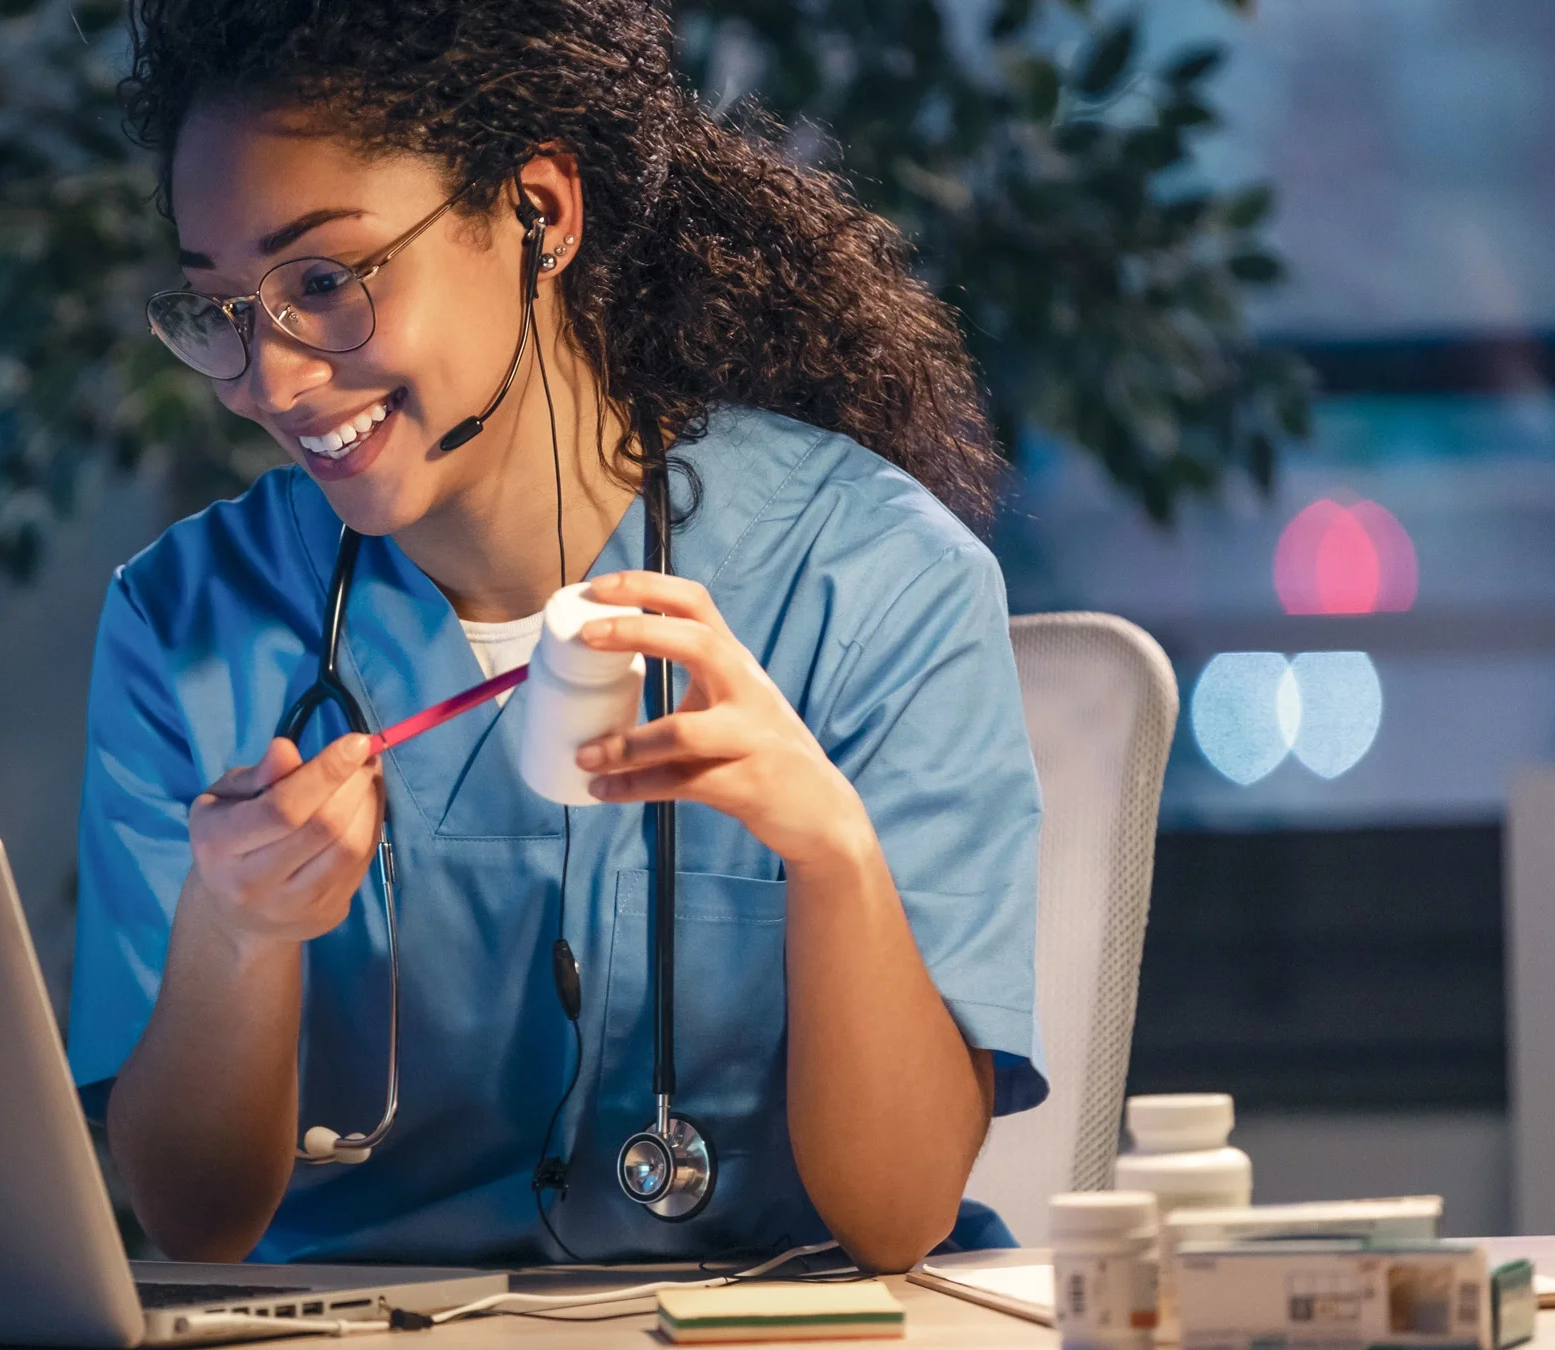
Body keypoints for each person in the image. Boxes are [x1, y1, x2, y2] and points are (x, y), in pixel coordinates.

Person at [69, 0, 1045, 1272]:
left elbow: (900, 1211)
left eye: (323, 282)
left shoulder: (873, 582)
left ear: (540, 212)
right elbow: (196, 1222)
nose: (274, 378)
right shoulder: (185, 620)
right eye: (223, 308)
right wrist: (236, 932)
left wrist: (831, 856)